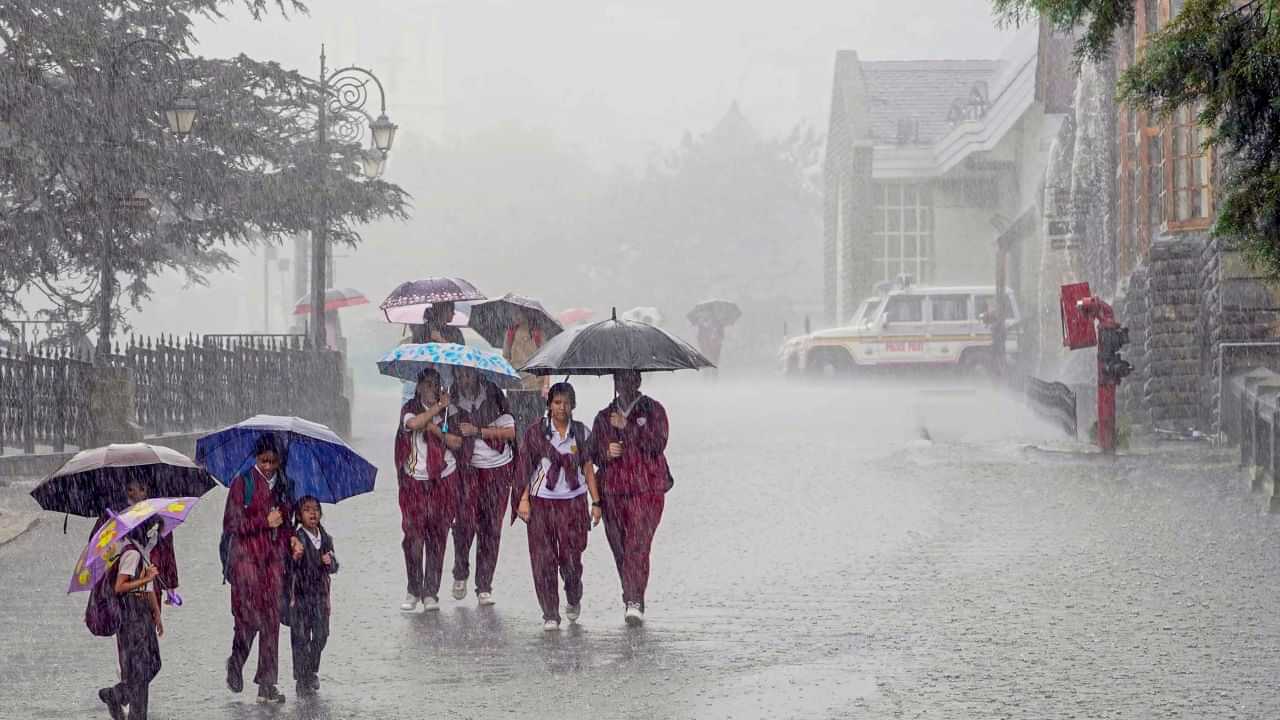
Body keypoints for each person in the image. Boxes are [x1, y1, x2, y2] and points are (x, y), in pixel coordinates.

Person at [515, 382, 602, 631]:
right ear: (549, 405)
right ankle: (550, 613)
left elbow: (587, 468)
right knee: (543, 560)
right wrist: (523, 500)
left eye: (566, 402)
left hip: (573, 503)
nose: (561, 408)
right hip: (541, 502)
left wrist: (596, 503)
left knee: (571, 560)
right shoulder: (536, 433)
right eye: (556, 402)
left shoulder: (582, 433)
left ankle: (573, 595)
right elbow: (524, 468)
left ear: (573, 405)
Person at [591, 370, 669, 626]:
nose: (624, 384)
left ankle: (634, 600)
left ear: (638, 381)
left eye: (629, 379)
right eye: (619, 380)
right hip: (613, 491)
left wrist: (630, 428)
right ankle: (632, 596)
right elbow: (592, 453)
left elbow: (657, 444)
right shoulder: (604, 417)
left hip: (646, 489)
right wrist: (606, 451)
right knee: (620, 548)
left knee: (638, 543)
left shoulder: (654, 410)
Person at [223, 437, 292, 704]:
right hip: (246, 562)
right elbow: (232, 522)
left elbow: (286, 523)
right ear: (256, 458)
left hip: (273, 562)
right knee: (247, 619)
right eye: (264, 461)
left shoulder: (285, 486)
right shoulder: (243, 483)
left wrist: (290, 540)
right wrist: (264, 521)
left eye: (273, 462)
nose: (269, 467)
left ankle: (267, 683)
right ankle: (236, 662)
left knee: (271, 623)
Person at [449, 365, 517, 605]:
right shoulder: (451, 398)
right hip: (468, 469)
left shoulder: (495, 395)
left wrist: (478, 431)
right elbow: (447, 434)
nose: (464, 379)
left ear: (477, 375)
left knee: (491, 528)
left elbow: (509, 432)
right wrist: (453, 437)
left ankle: (484, 585)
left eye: (467, 374)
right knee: (464, 522)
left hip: (498, 469)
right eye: (459, 375)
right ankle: (460, 571)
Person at [396, 367, 462, 612]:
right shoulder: (409, 408)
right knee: (413, 537)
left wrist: (436, 426)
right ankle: (414, 588)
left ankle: (431, 592)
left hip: (442, 479)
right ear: (420, 387)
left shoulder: (450, 413)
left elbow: (456, 441)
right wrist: (435, 412)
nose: (432, 390)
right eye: (428, 385)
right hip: (415, 480)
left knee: (438, 536)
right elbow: (413, 423)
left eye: (436, 385)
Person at [98, 516, 163, 720]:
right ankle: (135, 713)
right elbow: (120, 586)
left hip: (143, 612)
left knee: (153, 663)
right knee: (140, 668)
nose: (156, 535)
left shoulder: (142, 552)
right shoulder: (131, 554)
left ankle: (116, 694)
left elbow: (148, 587)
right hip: (131, 613)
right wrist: (146, 578)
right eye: (154, 529)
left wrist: (157, 613)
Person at [285, 496, 338, 698]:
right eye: (307, 510)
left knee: (322, 634)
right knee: (300, 638)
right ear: (299, 515)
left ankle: (311, 669)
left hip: (321, 597)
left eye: (316, 509)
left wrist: (329, 561)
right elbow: (290, 567)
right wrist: (295, 557)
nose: (313, 513)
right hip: (300, 596)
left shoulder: (325, 538)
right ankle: (302, 677)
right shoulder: (297, 538)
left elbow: (334, 566)